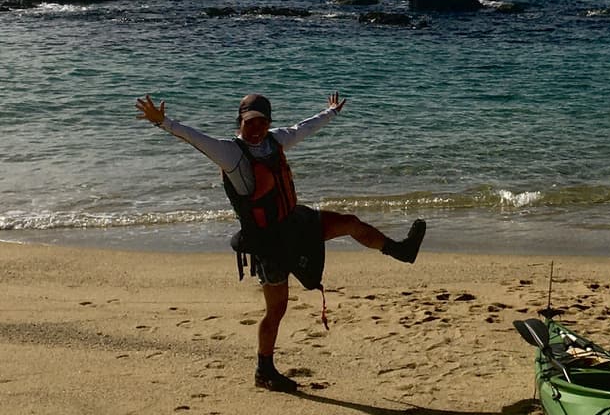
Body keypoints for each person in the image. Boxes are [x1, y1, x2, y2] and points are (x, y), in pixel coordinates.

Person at [135, 90, 426, 392]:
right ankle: (264, 370)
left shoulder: (274, 140)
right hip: (266, 241)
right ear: (240, 121)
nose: (257, 129)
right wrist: (162, 122)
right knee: (276, 310)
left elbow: (303, 128)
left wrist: (331, 113)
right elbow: (195, 138)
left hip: (293, 222)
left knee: (349, 223)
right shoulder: (230, 153)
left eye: (262, 122)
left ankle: (400, 250)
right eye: (250, 122)